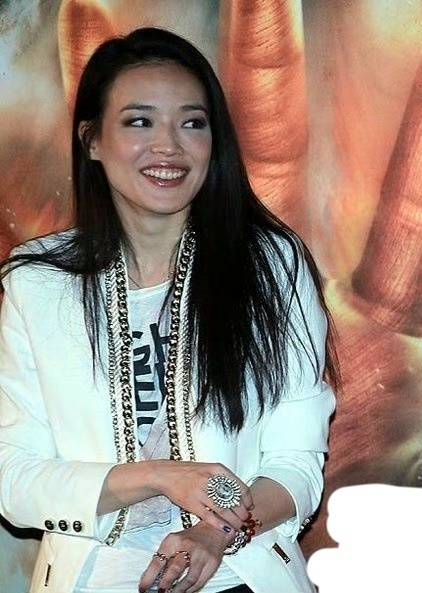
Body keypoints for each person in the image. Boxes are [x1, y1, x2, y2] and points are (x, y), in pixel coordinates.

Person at [0, 27, 336, 593]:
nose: (169, 147)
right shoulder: (38, 281)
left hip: (237, 572)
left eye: (192, 123)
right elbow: (14, 477)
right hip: (91, 575)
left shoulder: (271, 264)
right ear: (92, 140)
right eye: (139, 122)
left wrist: (215, 532)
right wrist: (160, 477)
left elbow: (297, 463)